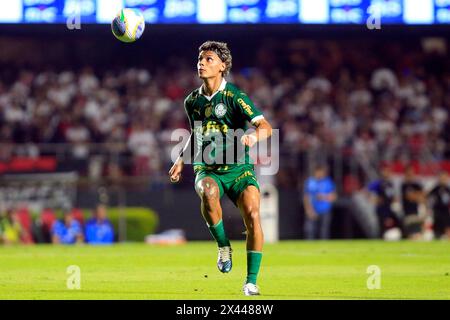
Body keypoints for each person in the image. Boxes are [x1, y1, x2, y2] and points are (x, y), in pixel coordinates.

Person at [168, 41, 273, 296]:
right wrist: (181, 158)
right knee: (208, 192)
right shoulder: (192, 101)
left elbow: (265, 127)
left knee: (253, 213)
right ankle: (224, 246)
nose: (202, 63)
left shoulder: (235, 97)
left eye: (209, 59)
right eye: (200, 59)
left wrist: (252, 137)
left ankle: (250, 281)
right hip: (208, 167)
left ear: (222, 66)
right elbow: (196, 133)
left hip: (239, 168)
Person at [303, 165, 337, 240]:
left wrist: (323, 197)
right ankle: (310, 248)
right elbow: (306, 197)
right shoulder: (310, 181)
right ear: (316, 171)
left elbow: (334, 196)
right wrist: (308, 210)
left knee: (324, 231)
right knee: (310, 231)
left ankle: (324, 248)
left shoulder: (328, 182)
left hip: (325, 210)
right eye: (320, 172)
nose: (321, 174)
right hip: (313, 209)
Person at [367, 165, 402, 238]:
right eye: (385, 171)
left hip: (390, 208)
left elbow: (392, 195)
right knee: (382, 226)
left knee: (396, 223)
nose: (387, 173)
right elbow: (367, 192)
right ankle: (381, 239)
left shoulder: (390, 183)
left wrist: (395, 200)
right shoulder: (378, 183)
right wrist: (375, 200)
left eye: (388, 171)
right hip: (381, 208)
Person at [401, 166, 426, 239]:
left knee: (419, 234)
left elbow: (423, 197)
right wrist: (418, 195)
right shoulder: (404, 185)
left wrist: (416, 195)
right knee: (411, 234)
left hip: (417, 213)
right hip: (408, 214)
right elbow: (409, 197)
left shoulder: (417, 185)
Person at [427, 171, 450, 239]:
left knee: (447, 227)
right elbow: (428, 197)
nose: (443, 179)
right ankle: (437, 237)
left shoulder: (447, 189)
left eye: (445, 178)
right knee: (437, 230)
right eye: (442, 177)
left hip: (446, 212)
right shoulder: (436, 188)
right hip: (437, 212)